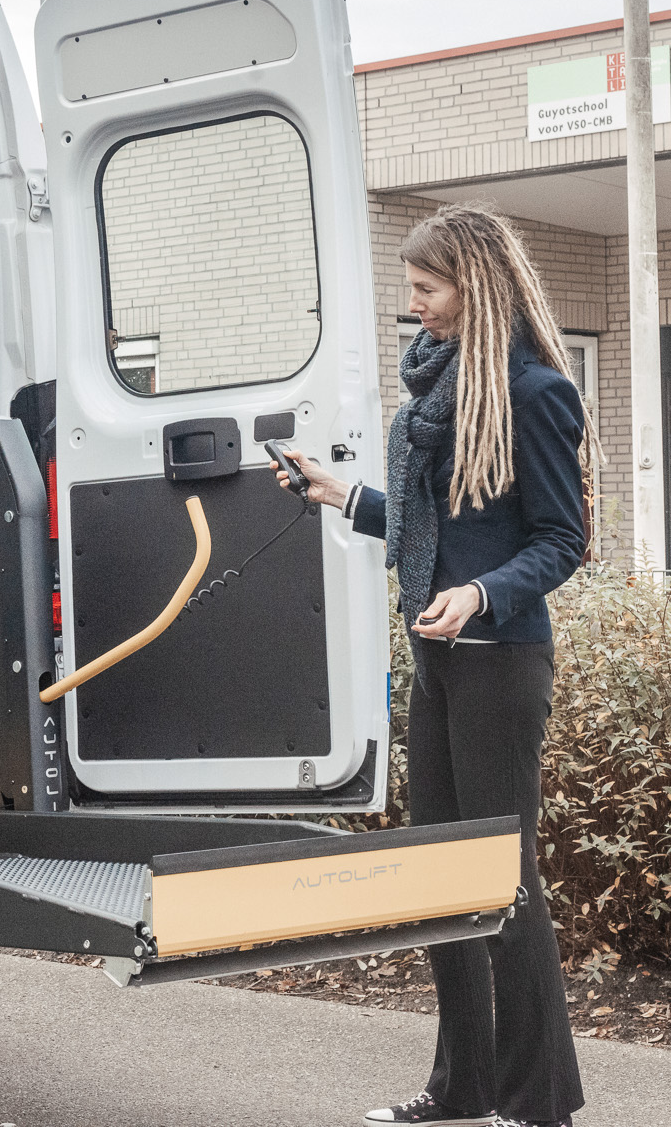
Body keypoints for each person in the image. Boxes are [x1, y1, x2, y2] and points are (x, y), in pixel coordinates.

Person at [276, 203, 587, 1127]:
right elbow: (437, 530)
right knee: (439, 880)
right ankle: (463, 1092)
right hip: (437, 659)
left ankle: (541, 1106)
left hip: (499, 661)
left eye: (426, 289)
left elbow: (562, 539)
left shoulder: (533, 392)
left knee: (501, 879)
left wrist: (483, 594)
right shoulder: (437, 394)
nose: (414, 309)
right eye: (410, 291)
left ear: (475, 286)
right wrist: (343, 496)